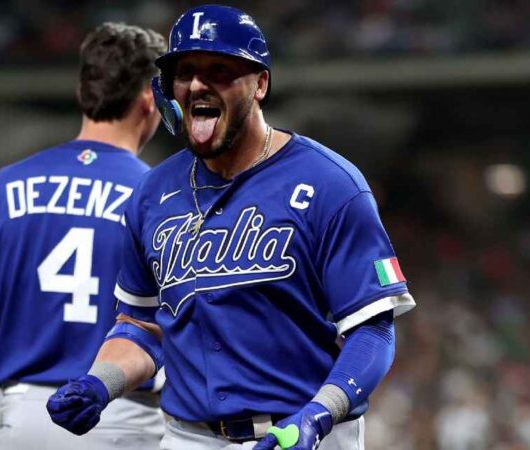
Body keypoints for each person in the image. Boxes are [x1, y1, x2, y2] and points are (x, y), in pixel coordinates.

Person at [46, 5, 416, 450]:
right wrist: (99, 382)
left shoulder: (331, 184)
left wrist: (319, 414)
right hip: (187, 438)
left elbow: (372, 330)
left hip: (300, 432)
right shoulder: (152, 194)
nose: (199, 84)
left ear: (260, 83)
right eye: (186, 72)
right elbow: (143, 327)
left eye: (219, 70)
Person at [0, 22, 167, 450]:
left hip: (16, 424)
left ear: (83, 92)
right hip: (122, 419)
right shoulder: (161, 199)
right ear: (150, 98)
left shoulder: (3, 188)